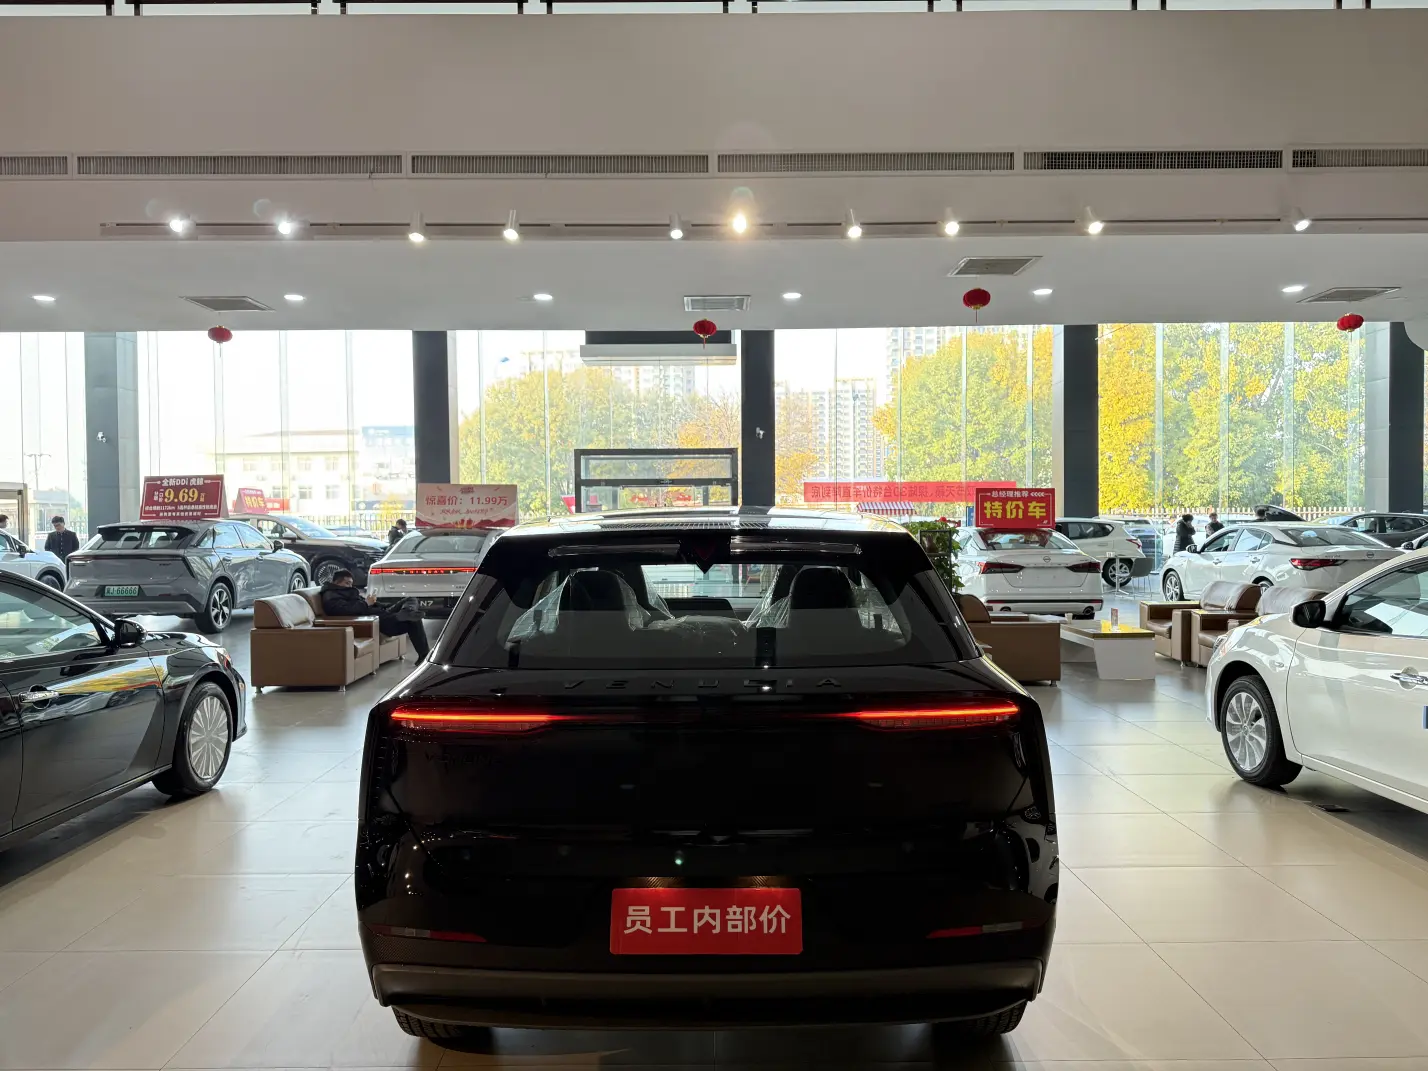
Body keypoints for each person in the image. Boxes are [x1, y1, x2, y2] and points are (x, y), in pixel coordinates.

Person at [319, 568, 429, 660]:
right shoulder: (330, 595)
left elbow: (362, 603)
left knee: (411, 599)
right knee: (414, 620)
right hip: (374, 620)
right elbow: (343, 611)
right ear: (336, 582)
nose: (350, 586)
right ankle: (424, 655)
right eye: (347, 583)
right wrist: (366, 603)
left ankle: (407, 611)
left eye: (351, 583)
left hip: (379, 612)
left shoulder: (346, 591)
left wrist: (380, 604)